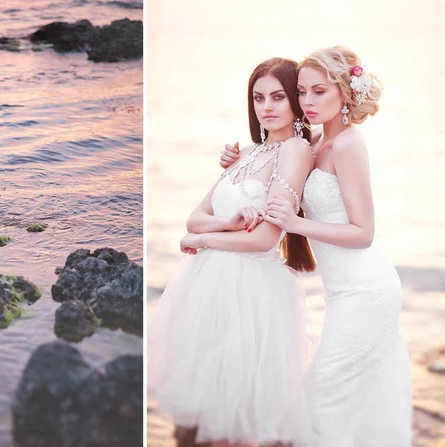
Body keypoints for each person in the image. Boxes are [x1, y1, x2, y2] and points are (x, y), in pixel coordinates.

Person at [220, 46, 413, 446]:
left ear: (344, 93)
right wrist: (236, 164)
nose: (307, 102)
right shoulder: (317, 140)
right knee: (341, 402)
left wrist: (296, 223)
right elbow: (280, 168)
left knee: (322, 399)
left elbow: (364, 232)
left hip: (367, 290)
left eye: (319, 92)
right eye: (303, 92)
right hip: (340, 292)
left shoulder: (347, 146)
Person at [148, 57, 316, 447]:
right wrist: (225, 223)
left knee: (242, 416)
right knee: (211, 410)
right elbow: (195, 218)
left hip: (251, 292)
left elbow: (263, 240)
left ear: (295, 99)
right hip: (208, 286)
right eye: (258, 98)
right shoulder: (246, 154)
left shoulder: (295, 151)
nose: (267, 107)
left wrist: (203, 241)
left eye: (278, 96)